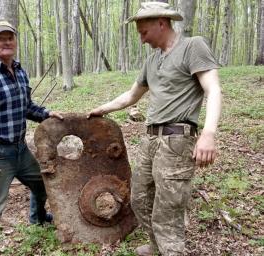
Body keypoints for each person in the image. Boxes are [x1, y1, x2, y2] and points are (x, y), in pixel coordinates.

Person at [88, 2, 222, 256]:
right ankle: (156, 244)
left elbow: (213, 89)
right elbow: (131, 96)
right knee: (139, 199)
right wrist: (102, 109)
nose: (141, 39)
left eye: (144, 32)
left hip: (177, 141)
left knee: (168, 209)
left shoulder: (193, 47)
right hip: (150, 140)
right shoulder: (152, 61)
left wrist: (208, 134)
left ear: (162, 23)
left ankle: (172, 249)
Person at [0, 20, 63, 256]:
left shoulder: (18, 70)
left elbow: (25, 107)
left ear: (15, 41)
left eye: (10, 37)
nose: (6, 42)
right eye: (0, 38)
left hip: (20, 149)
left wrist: (46, 114)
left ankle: (37, 219)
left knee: (42, 185)